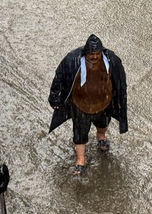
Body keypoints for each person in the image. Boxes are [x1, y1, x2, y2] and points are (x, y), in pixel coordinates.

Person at [48, 34, 128, 175]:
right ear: (85, 53)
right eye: (91, 54)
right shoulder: (72, 60)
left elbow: (121, 81)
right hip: (80, 105)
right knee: (79, 133)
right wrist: (54, 98)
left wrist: (121, 100)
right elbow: (59, 77)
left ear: (102, 52)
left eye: (97, 53)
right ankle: (80, 160)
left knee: (103, 124)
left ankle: (101, 137)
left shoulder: (112, 61)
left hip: (104, 103)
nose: (95, 57)